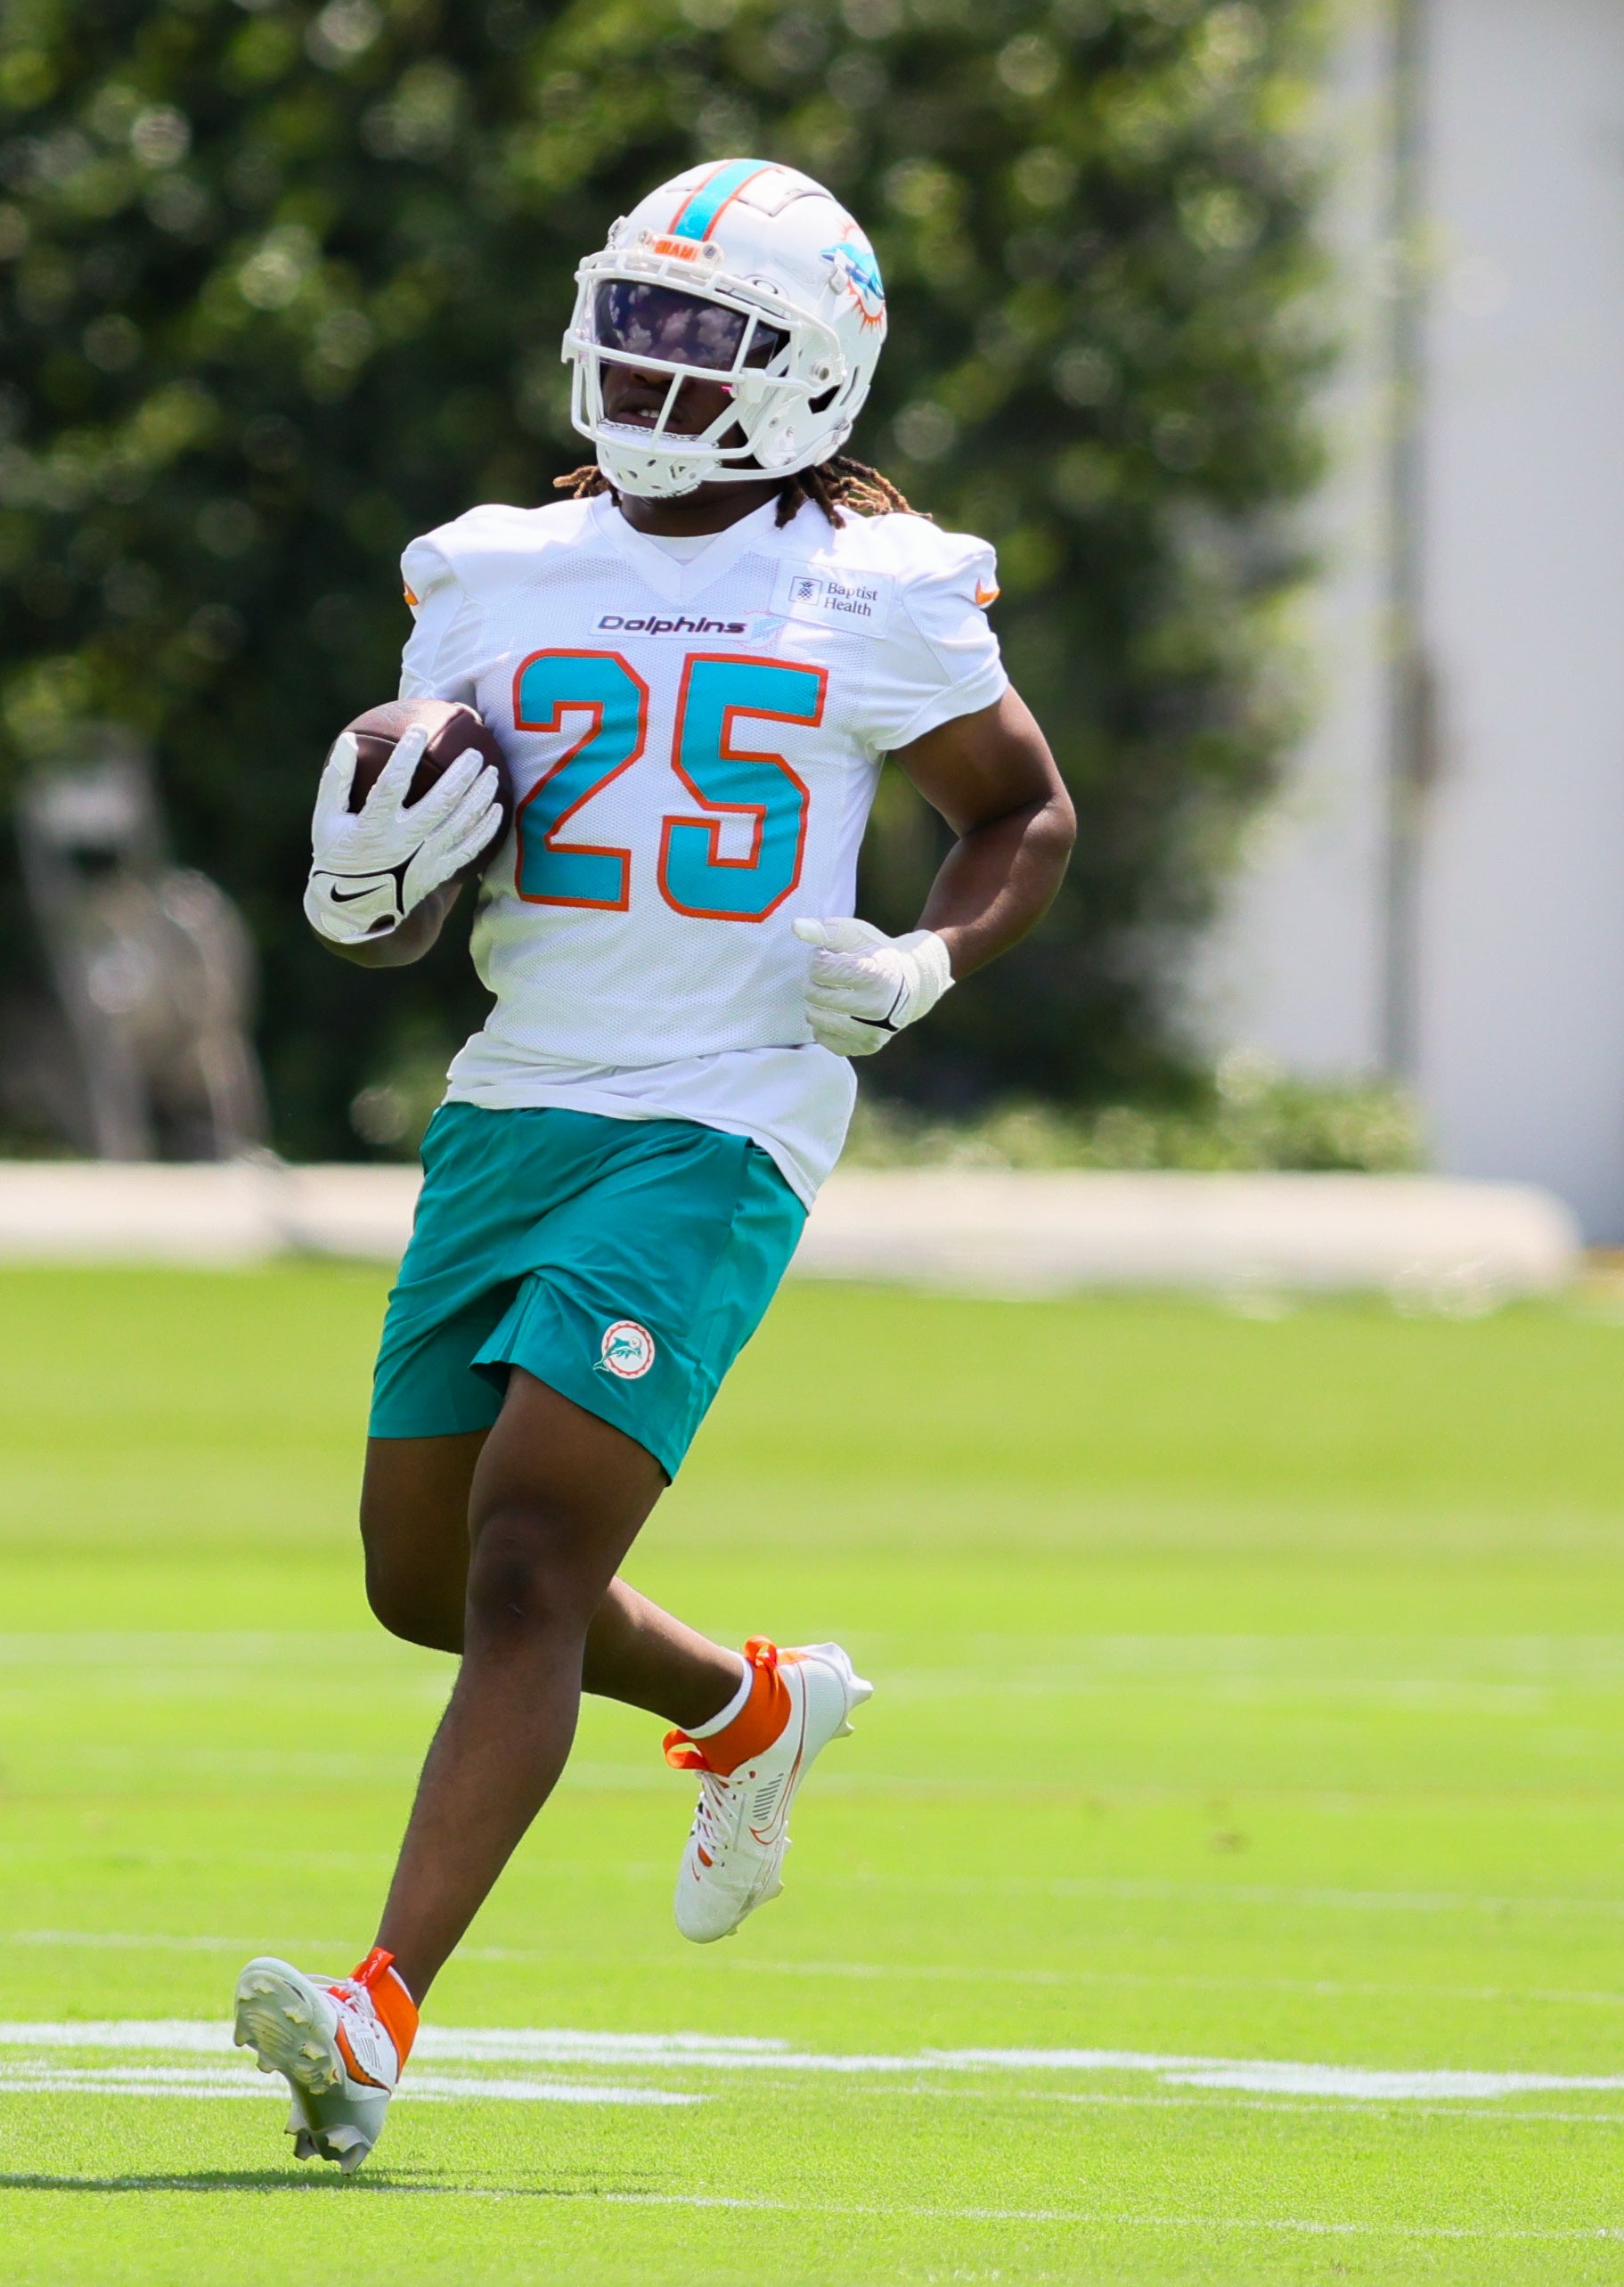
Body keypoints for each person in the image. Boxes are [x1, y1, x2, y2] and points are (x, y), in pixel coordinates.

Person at [228, 159, 1077, 2168]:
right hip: (515, 1099)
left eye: (708, 334)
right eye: (636, 316)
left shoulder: (880, 585)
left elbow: (1022, 811)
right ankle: (748, 1702)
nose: (651, 361)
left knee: (528, 1558)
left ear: (813, 369)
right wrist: (368, 897)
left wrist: (926, 958)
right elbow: (422, 882)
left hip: (721, 1116)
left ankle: (375, 2012)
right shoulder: (486, 568)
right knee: (421, 1582)